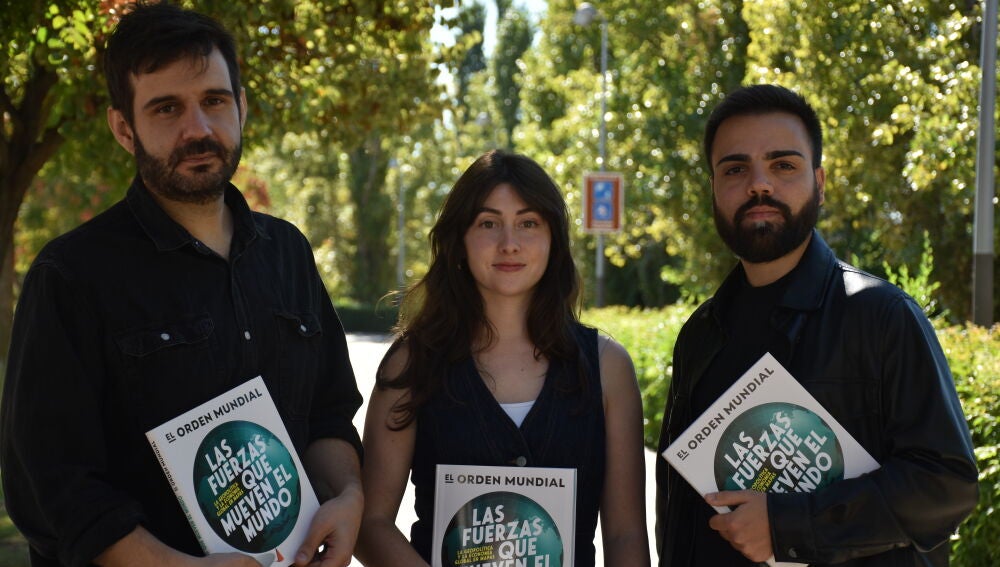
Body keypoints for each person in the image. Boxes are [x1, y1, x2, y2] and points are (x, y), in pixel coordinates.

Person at [0, 3, 364, 566]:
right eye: (166, 108)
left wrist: (348, 497)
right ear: (124, 128)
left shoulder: (288, 251)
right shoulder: (70, 276)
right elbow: (51, 487)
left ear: (241, 107)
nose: (197, 129)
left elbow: (327, 411)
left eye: (214, 101)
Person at [654, 83, 979, 566]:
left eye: (783, 165)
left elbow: (945, 485)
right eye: (736, 168)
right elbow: (677, 505)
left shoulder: (882, 316)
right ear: (714, 189)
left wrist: (788, 525)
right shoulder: (700, 334)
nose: (758, 184)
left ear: (820, 183)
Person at [354, 149, 650, 567]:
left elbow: (626, 533)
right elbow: (371, 522)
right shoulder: (411, 364)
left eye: (528, 223)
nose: (509, 244)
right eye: (488, 223)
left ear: (553, 240)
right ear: (459, 241)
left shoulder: (608, 367)